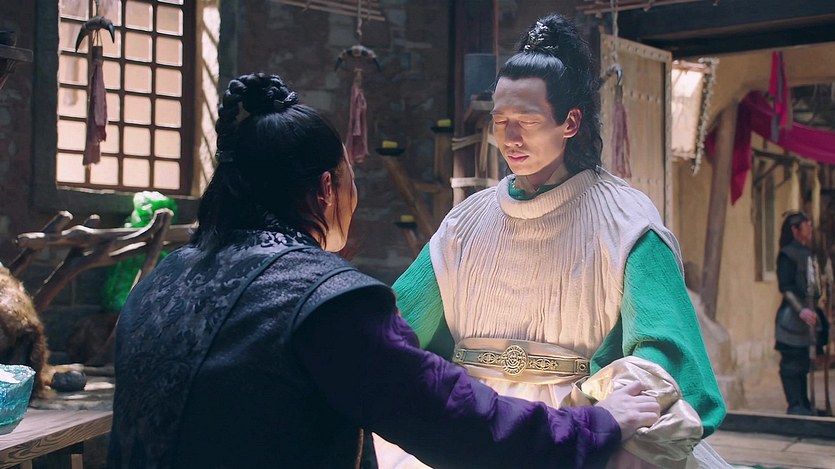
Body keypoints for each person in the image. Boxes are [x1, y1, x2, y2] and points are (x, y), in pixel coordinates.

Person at [107, 72, 662, 469]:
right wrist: (599, 423)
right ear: (327, 189)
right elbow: (457, 422)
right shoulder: (326, 302)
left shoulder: (159, 283)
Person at [376, 13, 729, 469]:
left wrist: (617, 416)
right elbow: (395, 325)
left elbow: (664, 349)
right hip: (476, 426)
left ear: (570, 122)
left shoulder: (625, 221)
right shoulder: (464, 223)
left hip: (585, 425)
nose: (510, 137)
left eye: (527, 120)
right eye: (500, 120)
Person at [774, 211, 829, 416]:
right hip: (792, 317)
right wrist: (801, 310)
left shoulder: (808, 253)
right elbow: (786, 287)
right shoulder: (787, 254)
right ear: (795, 229)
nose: (811, 227)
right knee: (792, 364)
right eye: (807, 224)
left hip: (810, 314)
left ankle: (804, 404)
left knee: (804, 363)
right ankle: (795, 404)